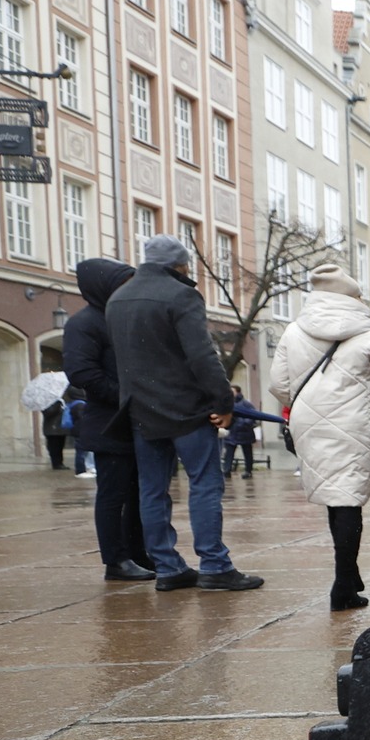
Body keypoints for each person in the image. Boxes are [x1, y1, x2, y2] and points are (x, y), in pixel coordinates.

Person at [269, 263, 370, 611]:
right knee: (349, 499)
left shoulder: (293, 332)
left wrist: (310, 406)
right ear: (353, 299)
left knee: (335, 495)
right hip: (353, 427)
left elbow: (278, 385)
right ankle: (343, 587)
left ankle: (350, 572)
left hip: (308, 426)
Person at [109, 235, 262, 592]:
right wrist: (224, 403)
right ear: (180, 265)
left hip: (142, 412)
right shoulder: (181, 294)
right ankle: (214, 565)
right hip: (187, 411)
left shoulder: (118, 298)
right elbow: (202, 356)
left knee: (152, 490)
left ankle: (166, 567)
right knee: (205, 485)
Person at [63, 258, 153, 581]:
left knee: (138, 493)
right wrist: (126, 395)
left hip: (136, 421)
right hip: (108, 422)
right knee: (113, 494)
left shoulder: (123, 317)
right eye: (123, 282)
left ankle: (138, 552)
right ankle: (115, 560)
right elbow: (82, 372)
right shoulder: (84, 323)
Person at [222, 386, 284, 478]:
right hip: (232, 433)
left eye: (233, 391)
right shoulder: (228, 403)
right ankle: (227, 470)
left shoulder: (246, 404)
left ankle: (248, 470)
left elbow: (252, 416)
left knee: (247, 453)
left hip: (245, 433)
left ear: (238, 392)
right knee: (229, 453)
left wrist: (241, 424)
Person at [40, 400, 69, 469]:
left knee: (60, 446)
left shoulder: (61, 401)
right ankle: (56, 463)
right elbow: (48, 412)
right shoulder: (46, 403)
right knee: (54, 447)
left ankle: (60, 463)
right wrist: (57, 406)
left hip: (60, 428)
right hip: (52, 429)